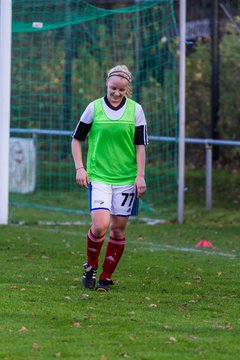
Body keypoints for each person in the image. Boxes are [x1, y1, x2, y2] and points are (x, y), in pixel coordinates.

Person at [71, 64, 148, 292]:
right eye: (113, 88)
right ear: (107, 83)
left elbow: (140, 146)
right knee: (99, 226)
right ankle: (91, 266)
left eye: (121, 90)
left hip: (126, 179)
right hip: (99, 177)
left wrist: (140, 175)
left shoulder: (136, 110)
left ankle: (105, 276)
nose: (116, 93)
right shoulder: (93, 108)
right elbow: (76, 139)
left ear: (127, 90)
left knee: (117, 230)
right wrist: (79, 168)